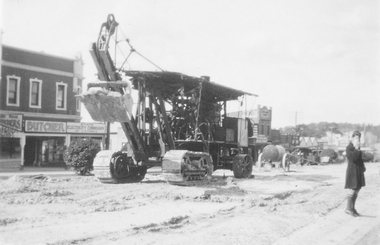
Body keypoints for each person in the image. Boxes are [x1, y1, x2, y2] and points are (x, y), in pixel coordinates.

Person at [344, 131, 366, 217]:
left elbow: (359, 159)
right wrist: (357, 149)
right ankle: (348, 208)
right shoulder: (349, 148)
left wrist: (363, 166)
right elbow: (353, 158)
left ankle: (352, 208)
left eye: (359, 138)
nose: (358, 140)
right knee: (353, 188)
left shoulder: (357, 147)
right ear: (352, 138)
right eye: (356, 138)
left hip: (358, 170)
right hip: (352, 171)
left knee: (357, 189)